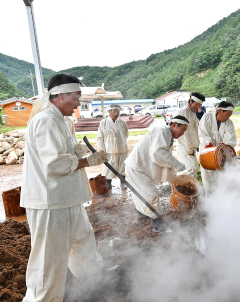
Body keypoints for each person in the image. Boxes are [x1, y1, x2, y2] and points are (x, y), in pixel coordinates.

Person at [21, 74, 108, 301]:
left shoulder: (59, 120)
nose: (79, 103)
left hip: (67, 199)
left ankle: (96, 283)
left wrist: (78, 151)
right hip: (50, 204)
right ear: (60, 95)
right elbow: (55, 164)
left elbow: (62, 153)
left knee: (83, 244)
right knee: (49, 264)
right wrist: (89, 161)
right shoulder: (46, 120)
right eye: (76, 97)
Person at [124, 116, 188, 232]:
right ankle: (159, 226)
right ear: (174, 125)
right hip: (137, 169)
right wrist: (176, 163)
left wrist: (176, 180)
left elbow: (164, 162)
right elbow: (157, 152)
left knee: (144, 193)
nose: (183, 133)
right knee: (152, 195)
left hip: (141, 169)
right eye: (182, 129)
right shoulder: (162, 131)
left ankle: (143, 214)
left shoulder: (168, 137)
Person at [198, 101, 237, 196]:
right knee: (208, 178)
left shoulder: (229, 123)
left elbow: (231, 139)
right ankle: (210, 203)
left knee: (222, 178)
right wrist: (209, 144)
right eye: (227, 114)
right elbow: (202, 133)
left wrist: (224, 147)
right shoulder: (207, 117)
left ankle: (221, 201)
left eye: (230, 115)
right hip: (207, 151)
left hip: (222, 154)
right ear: (220, 110)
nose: (228, 117)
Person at [97, 104, 130, 190]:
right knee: (109, 168)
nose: (116, 113)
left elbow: (126, 134)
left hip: (122, 148)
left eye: (118, 111)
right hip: (109, 150)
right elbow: (100, 137)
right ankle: (108, 184)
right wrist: (102, 150)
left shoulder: (123, 122)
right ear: (109, 111)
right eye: (114, 111)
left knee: (123, 167)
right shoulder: (103, 122)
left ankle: (123, 183)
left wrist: (118, 142)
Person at [176, 92, 205, 177]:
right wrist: (188, 147)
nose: (198, 107)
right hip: (184, 146)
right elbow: (182, 131)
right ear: (191, 101)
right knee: (190, 169)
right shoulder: (184, 111)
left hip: (191, 146)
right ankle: (185, 188)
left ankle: (190, 188)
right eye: (197, 104)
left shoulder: (192, 112)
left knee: (193, 168)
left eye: (200, 105)